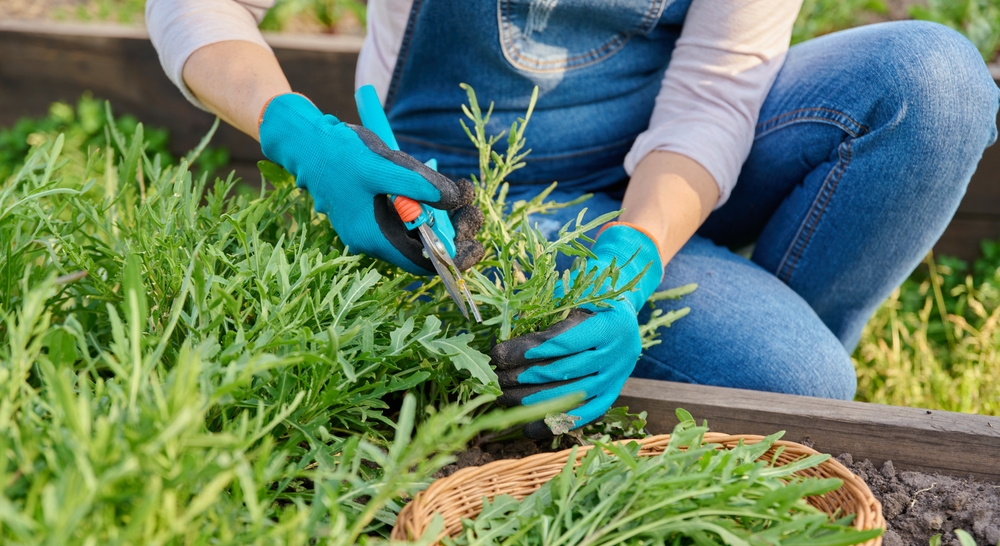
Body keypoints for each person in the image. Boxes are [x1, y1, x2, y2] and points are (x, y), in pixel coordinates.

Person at [147, 0, 999, 436]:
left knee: (934, 80)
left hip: (662, 155)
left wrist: (635, 253)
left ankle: (727, 348)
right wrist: (294, 129)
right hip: (479, 188)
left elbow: (710, 101)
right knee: (796, 383)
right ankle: (748, 363)